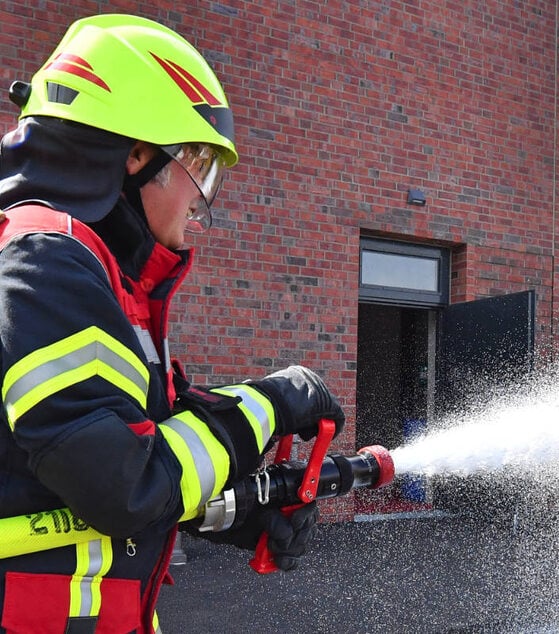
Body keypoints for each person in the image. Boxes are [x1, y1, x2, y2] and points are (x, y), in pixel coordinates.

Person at [0, 14, 345, 633]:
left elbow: (112, 464)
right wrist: (265, 406)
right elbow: (122, 484)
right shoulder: (43, 263)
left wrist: (242, 510)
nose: (201, 200)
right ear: (134, 154)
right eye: (200, 169)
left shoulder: (91, 272)